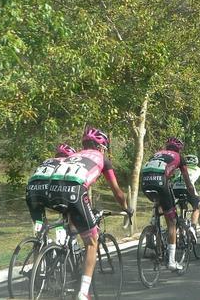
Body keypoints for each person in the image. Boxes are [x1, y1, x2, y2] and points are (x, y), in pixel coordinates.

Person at [27, 128, 132, 300]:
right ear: (101, 147)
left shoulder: (71, 157)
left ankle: (59, 253)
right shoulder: (102, 159)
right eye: (104, 148)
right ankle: (83, 292)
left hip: (51, 191)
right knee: (92, 241)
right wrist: (126, 208)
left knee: (71, 226)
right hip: (74, 193)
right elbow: (117, 192)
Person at [141, 137, 196, 271]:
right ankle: (171, 261)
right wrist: (193, 196)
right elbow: (188, 182)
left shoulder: (157, 154)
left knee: (159, 206)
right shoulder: (179, 157)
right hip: (161, 182)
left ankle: (155, 225)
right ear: (179, 149)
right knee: (171, 221)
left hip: (145, 182)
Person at [25, 143, 77, 233]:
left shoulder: (46, 161)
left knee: (40, 224)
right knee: (72, 210)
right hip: (47, 191)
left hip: (30, 192)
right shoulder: (66, 163)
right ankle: (71, 237)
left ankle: (41, 242)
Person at [171, 154, 200, 242]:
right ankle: (192, 227)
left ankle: (180, 223)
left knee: (181, 206)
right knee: (196, 208)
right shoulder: (198, 169)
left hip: (175, 189)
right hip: (188, 188)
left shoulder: (179, 168)